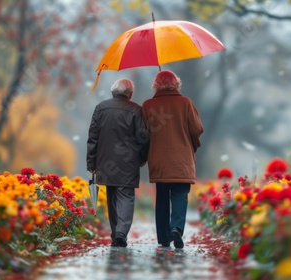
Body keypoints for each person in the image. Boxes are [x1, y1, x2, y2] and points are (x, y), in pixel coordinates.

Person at [141, 70, 204, 249]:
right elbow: (197, 129)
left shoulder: (147, 106)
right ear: (176, 83)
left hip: (159, 159)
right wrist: (192, 145)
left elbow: (143, 135)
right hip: (181, 159)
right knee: (180, 195)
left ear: (155, 85)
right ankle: (176, 227)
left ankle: (163, 237)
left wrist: (145, 155)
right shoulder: (185, 103)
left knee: (162, 197)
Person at [86, 78, 149, 247]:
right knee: (126, 197)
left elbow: (93, 137)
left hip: (106, 161)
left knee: (112, 197)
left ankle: (116, 234)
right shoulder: (136, 110)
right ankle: (121, 232)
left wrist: (91, 163)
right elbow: (143, 138)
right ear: (130, 93)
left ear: (113, 92)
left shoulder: (100, 108)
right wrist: (142, 158)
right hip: (128, 162)